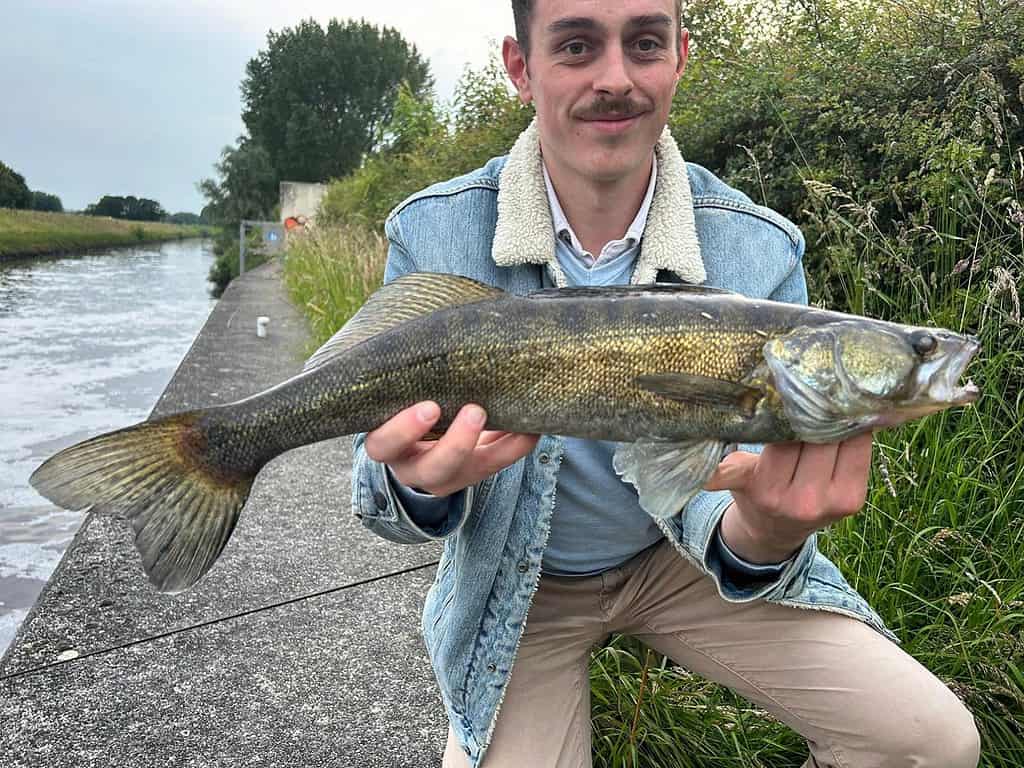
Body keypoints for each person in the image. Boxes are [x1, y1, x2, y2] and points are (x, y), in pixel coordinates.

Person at [350, 1, 981, 766]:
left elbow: (709, 490)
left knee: (929, 744)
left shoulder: (760, 248)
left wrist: (767, 534)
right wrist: (419, 487)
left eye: (644, 43)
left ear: (680, 56)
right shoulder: (432, 231)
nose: (615, 78)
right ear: (521, 67)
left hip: (680, 566)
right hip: (522, 586)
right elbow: (377, 493)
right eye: (577, 46)